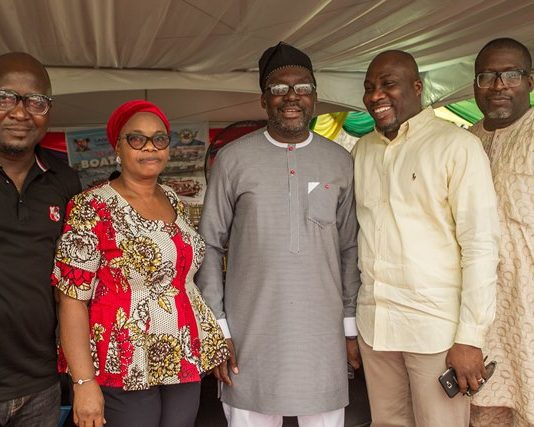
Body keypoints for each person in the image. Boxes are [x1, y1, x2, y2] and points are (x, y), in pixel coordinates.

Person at [196, 41, 361, 427]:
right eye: (279, 88)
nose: (291, 97)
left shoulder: (340, 161)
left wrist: (349, 325)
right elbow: (209, 243)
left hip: (322, 335)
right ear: (263, 100)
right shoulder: (233, 159)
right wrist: (218, 327)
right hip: (249, 334)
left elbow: (350, 247)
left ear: (314, 97)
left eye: (302, 88)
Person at [52, 100, 229, 427]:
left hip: (182, 352)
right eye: (137, 138)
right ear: (118, 147)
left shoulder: (172, 198)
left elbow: (183, 282)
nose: (150, 147)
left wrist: (214, 338)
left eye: (159, 138)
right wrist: (83, 382)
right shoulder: (92, 206)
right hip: (124, 359)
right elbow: (71, 298)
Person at [352, 50, 500, 427]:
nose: (376, 95)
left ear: (417, 87)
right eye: (369, 87)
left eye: (388, 84)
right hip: (376, 324)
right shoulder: (362, 150)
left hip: (435, 329)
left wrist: (470, 336)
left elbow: (480, 246)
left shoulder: (456, 146)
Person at [0, 52, 81, 427]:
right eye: (5, 98)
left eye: (35, 101)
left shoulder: (64, 180)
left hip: (41, 384)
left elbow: (75, 279)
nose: (20, 113)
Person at [469, 38, 534, 427]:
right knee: (484, 411)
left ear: (530, 81)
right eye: (487, 76)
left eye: (511, 75)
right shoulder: (463, 141)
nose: (498, 86)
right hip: (477, 310)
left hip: (528, 304)